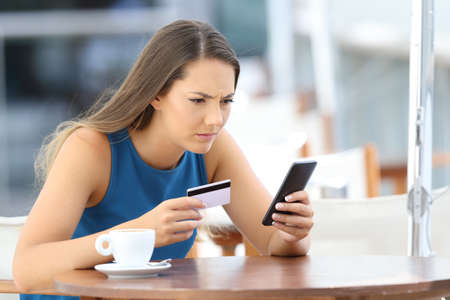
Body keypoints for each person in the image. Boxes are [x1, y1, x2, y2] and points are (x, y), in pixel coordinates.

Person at [13, 20, 314, 299]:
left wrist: (292, 235)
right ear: (155, 94)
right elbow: (27, 271)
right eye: (198, 100)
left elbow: (272, 242)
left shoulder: (213, 150)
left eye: (226, 101)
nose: (214, 119)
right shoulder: (91, 149)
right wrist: (134, 235)